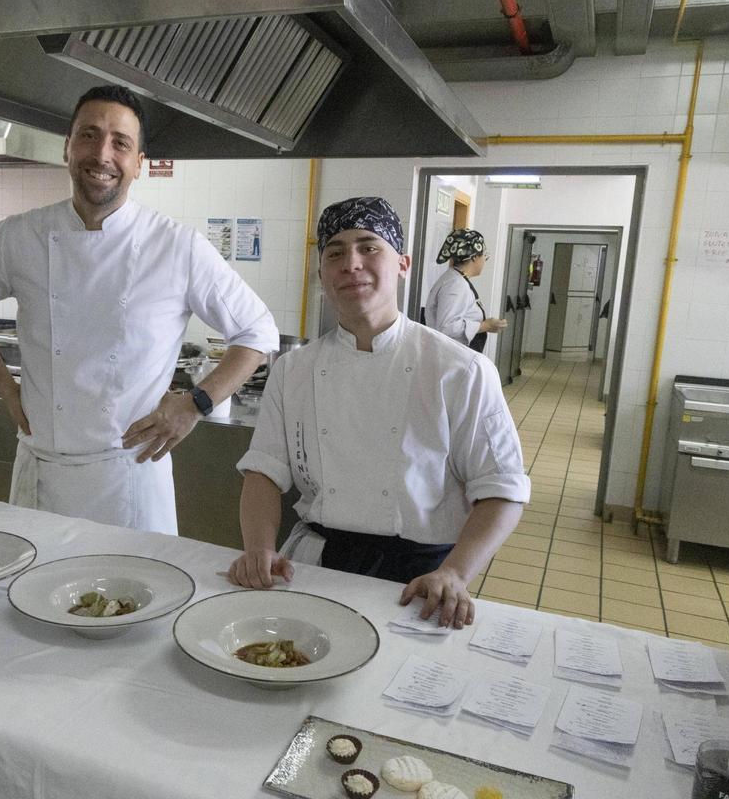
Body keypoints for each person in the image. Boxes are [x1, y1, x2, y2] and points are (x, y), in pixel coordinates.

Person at [0, 85, 277, 536]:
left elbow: (257, 332)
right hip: (40, 470)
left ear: (139, 163)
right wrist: (5, 386)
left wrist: (195, 403)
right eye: (89, 136)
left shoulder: (175, 246)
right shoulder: (19, 236)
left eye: (121, 142)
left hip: (129, 478)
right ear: (67, 148)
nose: (102, 154)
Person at [227, 198, 529, 628]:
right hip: (313, 567)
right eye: (335, 252)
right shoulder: (293, 370)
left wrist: (455, 573)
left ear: (402, 264)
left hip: (421, 581)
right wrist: (258, 547)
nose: (351, 263)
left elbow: (501, 489)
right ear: (321, 274)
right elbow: (263, 472)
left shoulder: (460, 370)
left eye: (369, 247)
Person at [424, 228, 507, 353]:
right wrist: (485, 325)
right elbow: (447, 327)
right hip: (450, 356)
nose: (485, 261)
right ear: (474, 257)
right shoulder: (455, 284)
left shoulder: (456, 279)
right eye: (484, 256)